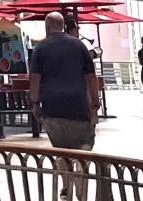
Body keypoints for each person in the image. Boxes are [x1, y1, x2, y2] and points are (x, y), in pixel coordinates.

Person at [29, 11, 99, 151]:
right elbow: (91, 77)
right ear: (63, 26)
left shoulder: (40, 48)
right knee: (83, 151)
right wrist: (95, 103)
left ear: (47, 27)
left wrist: (35, 103)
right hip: (78, 107)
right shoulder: (79, 45)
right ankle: (77, 165)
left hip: (52, 109)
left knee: (61, 150)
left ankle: (66, 166)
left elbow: (35, 78)